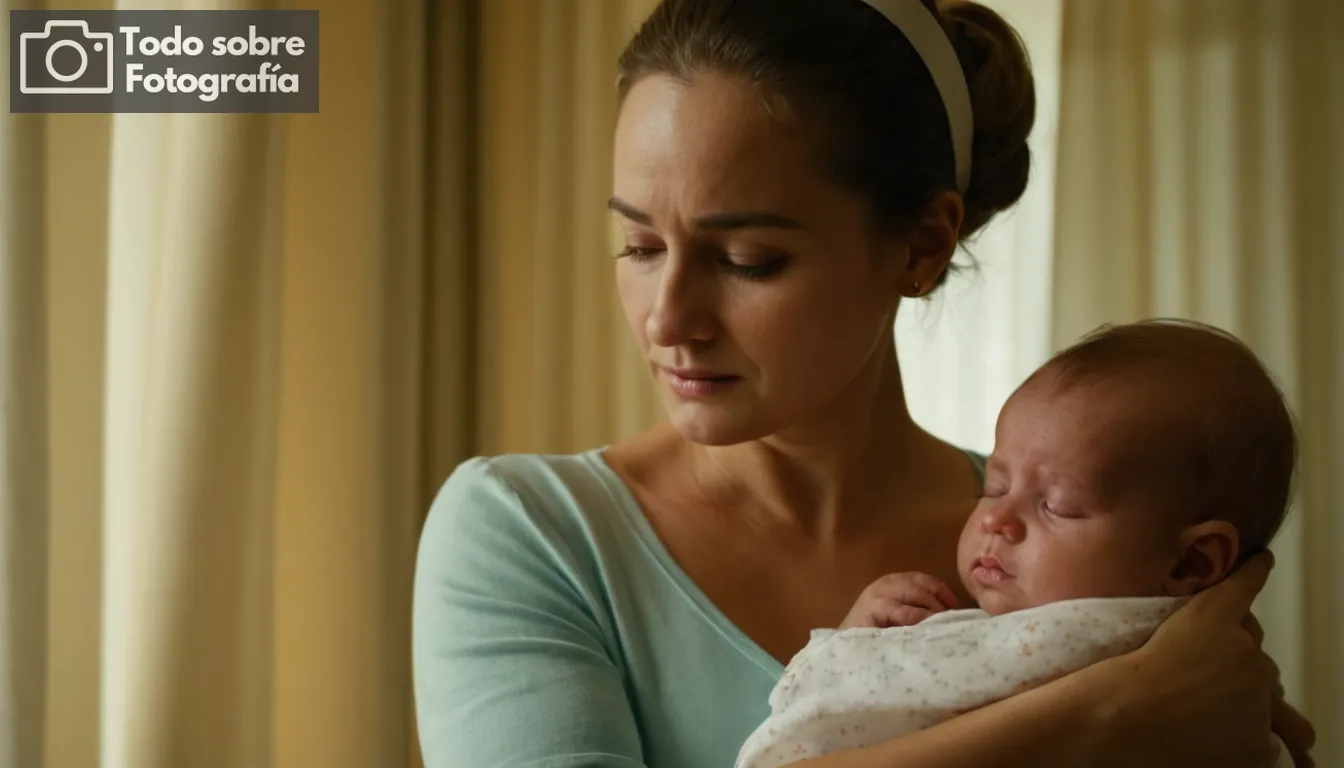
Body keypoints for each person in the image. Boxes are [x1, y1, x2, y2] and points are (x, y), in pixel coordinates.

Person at [411, 0, 1317, 766]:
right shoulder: (532, 534)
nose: (665, 318)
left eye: (747, 258)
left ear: (922, 244)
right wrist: (1105, 715)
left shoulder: (1086, 538)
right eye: (640, 246)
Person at [735, 320, 1300, 766]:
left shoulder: (1089, 644)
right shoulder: (1203, 664)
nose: (997, 519)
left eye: (1054, 504)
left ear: (1191, 562)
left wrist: (854, 646)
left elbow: (828, 711)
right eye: (994, 486)